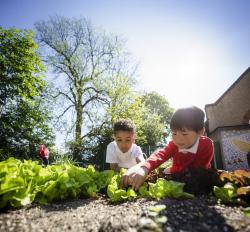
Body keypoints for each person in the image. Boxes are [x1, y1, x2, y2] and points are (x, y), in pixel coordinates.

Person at [121, 106, 214, 191]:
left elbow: (198, 169)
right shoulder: (175, 144)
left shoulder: (206, 145)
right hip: (177, 174)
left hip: (197, 178)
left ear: (200, 131)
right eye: (174, 133)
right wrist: (144, 169)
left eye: (184, 134)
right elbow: (160, 154)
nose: (178, 139)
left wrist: (173, 171)